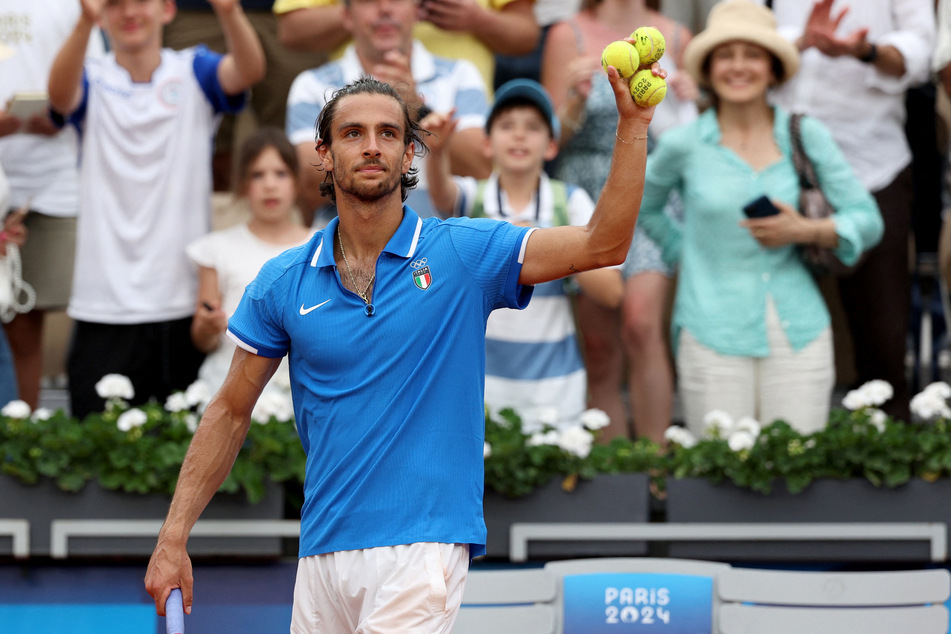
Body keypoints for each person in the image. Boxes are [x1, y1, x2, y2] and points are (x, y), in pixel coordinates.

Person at [145, 67, 659, 629]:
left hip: (422, 548)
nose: (372, 146)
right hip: (321, 551)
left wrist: (633, 124)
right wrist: (173, 537)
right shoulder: (283, 279)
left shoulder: (464, 252)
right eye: (352, 133)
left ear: (411, 153)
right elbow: (229, 409)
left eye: (389, 134)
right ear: (323, 153)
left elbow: (603, 244)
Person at [638, 0, 883, 435]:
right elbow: (642, 203)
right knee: (718, 478)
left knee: (796, 472)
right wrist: (687, 250)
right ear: (708, 69)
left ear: (773, 69)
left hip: (799, 333)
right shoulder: (684, 143)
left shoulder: (805, 134)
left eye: (752, 55)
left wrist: (808, 230)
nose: (738, 66)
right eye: (725, 55)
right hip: (709, 331)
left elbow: (867, 218)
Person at [48, 0, 266, 418]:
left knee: (179, 455)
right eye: (114, 4)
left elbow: (248, 71)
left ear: (167, 9)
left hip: (179, 304)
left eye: (141, 1)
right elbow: (59, 97)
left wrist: (229, 11)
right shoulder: (90, 74)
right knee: (96, 452)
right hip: (102, 303)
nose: (129, 12)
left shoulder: (194, 70)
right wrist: (83, 21)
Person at [762, 0, 935, 423]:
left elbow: (921, 55)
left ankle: (881, 460)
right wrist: (801, 42)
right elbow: (744, 46)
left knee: (881, 332)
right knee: (773, 321)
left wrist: (864, 51)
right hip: (777, 161)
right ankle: (779, 449)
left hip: (872, 165)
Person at [425, 79, 623, 430]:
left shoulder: (570, 201)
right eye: (506, 126)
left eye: (532, 127)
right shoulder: (475, 198)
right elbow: (442, 194)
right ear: (487, 144)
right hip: (481, 386)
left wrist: (547, 249)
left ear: (551, 146)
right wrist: (438, 152)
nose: (519, 136)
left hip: (556, 388)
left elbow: (611, 291)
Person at [542, 0, 698, 442]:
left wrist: (690, 100)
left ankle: (656, 471)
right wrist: (573, 96)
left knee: (641, 323)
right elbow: (549, 140)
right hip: (585, 193)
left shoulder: (677, 37)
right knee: (600, 347)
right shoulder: (563, 34)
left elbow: (690, 138)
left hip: (653, 190)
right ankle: (612, 477)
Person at [285, 0, 491, 225]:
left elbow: (480, 168)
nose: (385, 9)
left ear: (418, 10)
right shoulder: (311, 85)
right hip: (343, 250)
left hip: (441, 247)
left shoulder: (461, 74)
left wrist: (417, 111)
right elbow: (306, 182)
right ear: (346, 15)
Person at [0, 0, 105, 410]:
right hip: (17, 179)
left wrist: (63, 115)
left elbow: (94, 83)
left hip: (56, 183)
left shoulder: (78, 7)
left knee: (26, 324)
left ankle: (21, 443)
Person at [186, 127, 312, 394]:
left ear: (297, 182)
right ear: (243, 184)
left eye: (280, 173)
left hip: (300, 397)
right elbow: (202, 338)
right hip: (227, 389)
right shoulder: (216, 249)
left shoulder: (321, 248)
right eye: (258, 175)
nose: (269, 185)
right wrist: (208, 327)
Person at [273, 0, 539, 93]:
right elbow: (290, 30)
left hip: (460, 111)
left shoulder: (462, 76)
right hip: (353, 103)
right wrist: (372, 11)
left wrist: (478, 19)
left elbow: (527, 35)